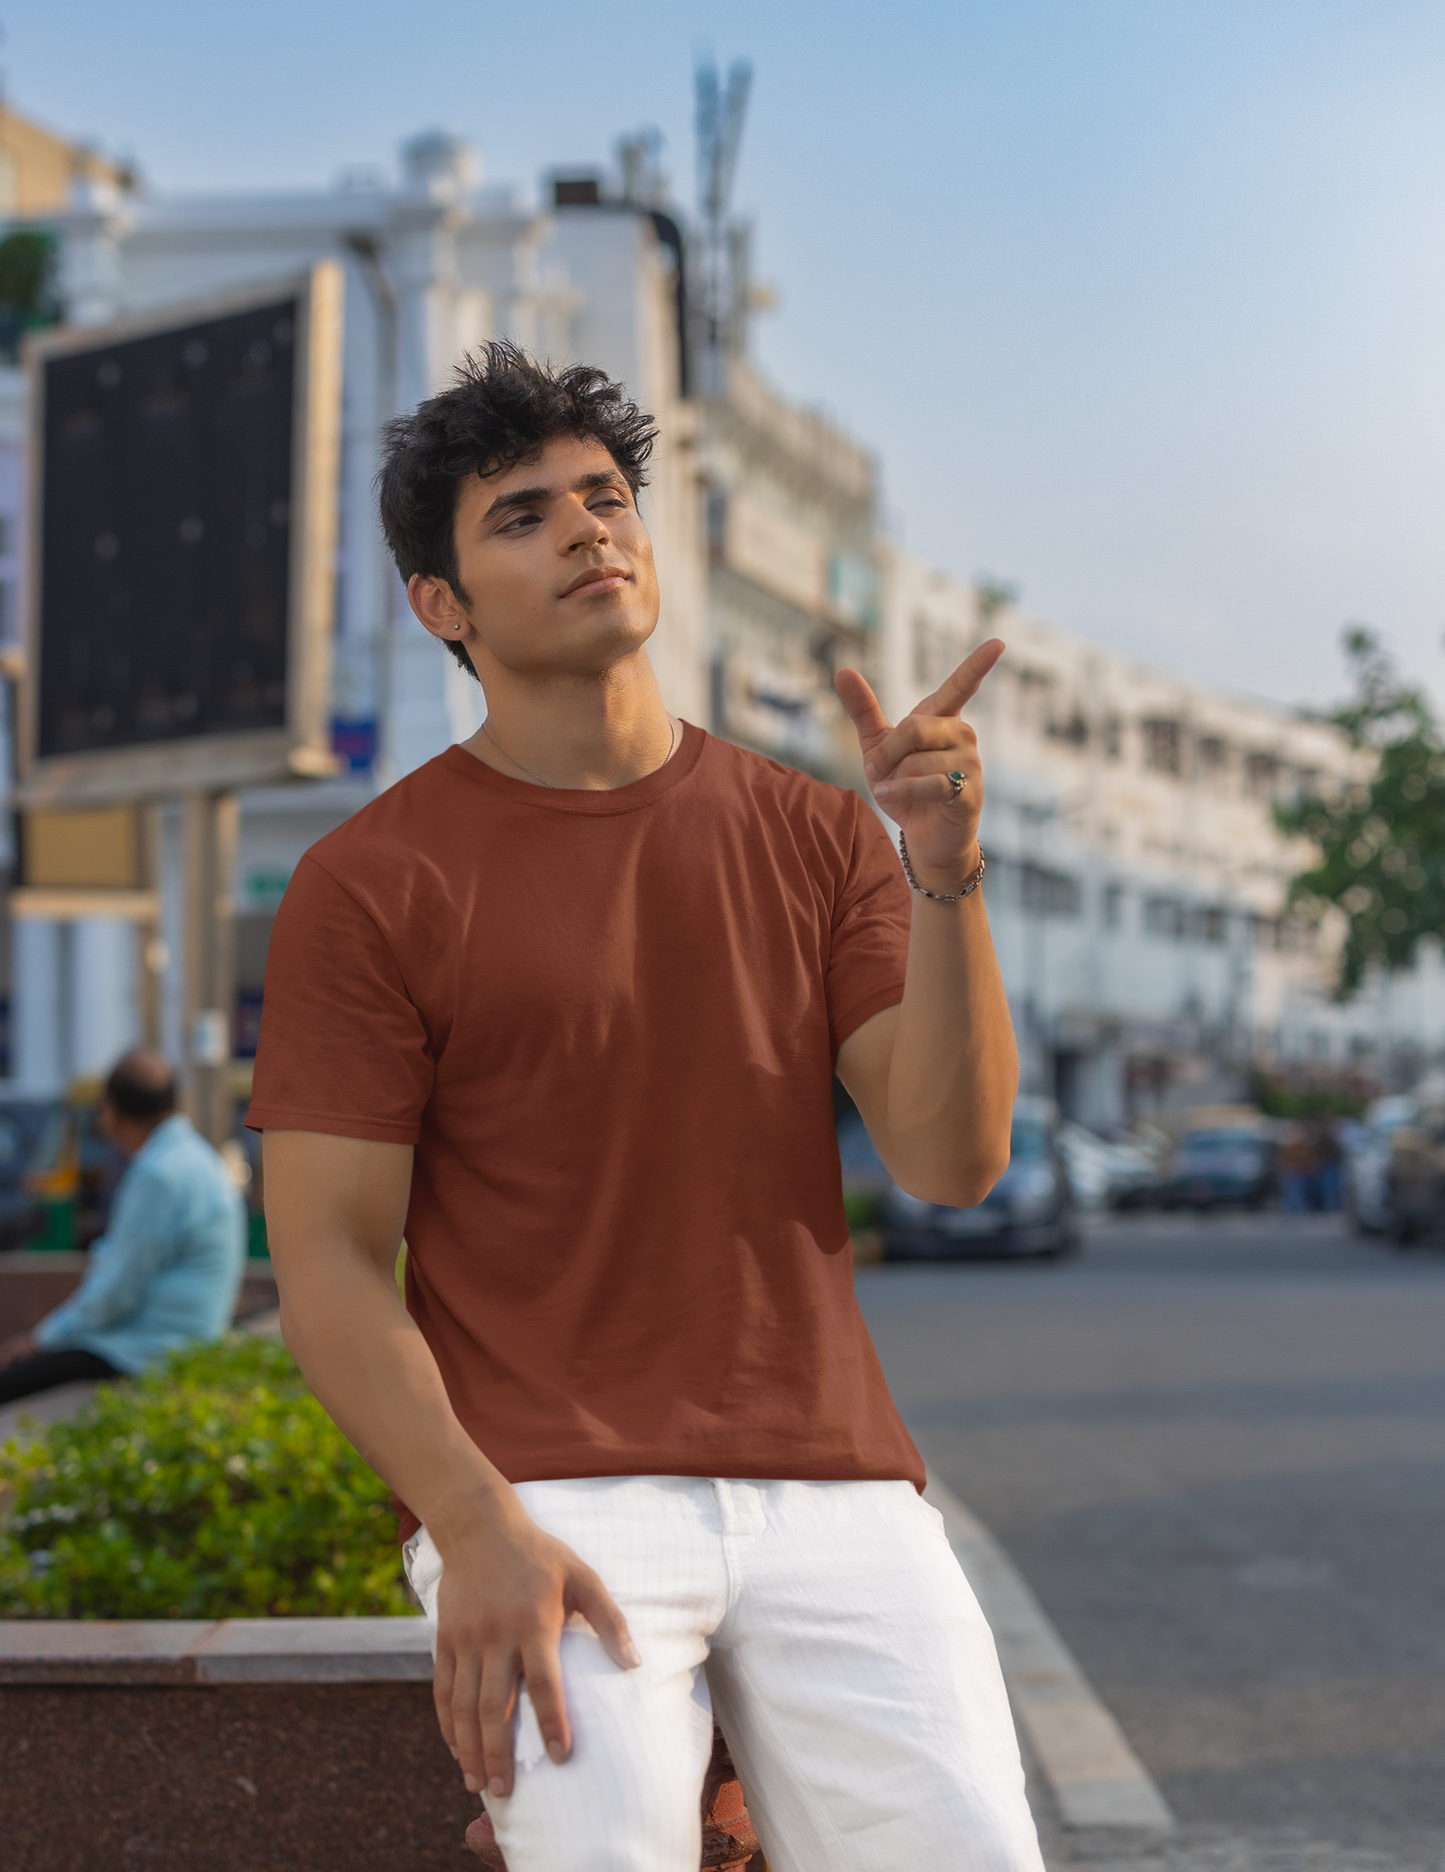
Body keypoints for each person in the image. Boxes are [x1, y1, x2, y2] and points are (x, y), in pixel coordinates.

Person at [251, 344, 1043, 1872]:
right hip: (551, 1491)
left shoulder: (818, 835)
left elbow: (951, 1159)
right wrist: (468, 1522)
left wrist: (938, 858)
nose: (589, 530)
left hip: (831, 1478)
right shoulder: (371, 883)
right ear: (444, 606)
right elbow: (332, 1261)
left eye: (609, 498)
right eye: (524, 515)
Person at [0, 1051, 246, 1405]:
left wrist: (41, 1339)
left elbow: (115, 1292)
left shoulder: (158, 1174)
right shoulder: (194, 1157)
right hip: (184, 1342)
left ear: (111, 1109)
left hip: (145, 1351)